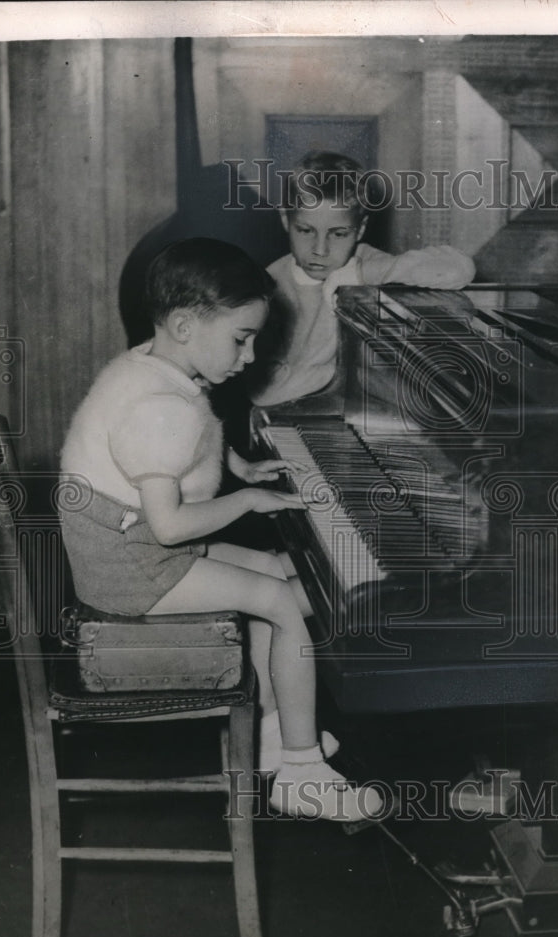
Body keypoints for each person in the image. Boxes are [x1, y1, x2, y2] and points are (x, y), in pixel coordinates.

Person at [59, 237, 382, 822]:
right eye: (242, 338)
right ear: (185, 325)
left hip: (123, 546)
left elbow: (189, 441)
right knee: (281, 601)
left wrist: (238, 466)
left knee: (275, 570)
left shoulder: (147, 365)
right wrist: (250, 498)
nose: (252, 355)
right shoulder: (160, 409)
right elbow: (169, 525)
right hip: (134, 568)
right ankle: (303, 773)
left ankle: (275, 732)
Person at [247, 151, 476, 407]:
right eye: (306, 230)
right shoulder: (268, 285)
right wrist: (331, 368)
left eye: (339, 234)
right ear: (285, 221)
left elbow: (460, 269)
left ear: (361, 229)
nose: (320, 250)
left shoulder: (365, 263)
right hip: (296, 418)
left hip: (376, 406)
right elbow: (263, 394)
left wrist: (362, 274)